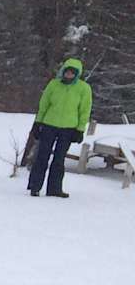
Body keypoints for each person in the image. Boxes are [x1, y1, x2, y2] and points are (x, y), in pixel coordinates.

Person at [27, 56, 94, 199]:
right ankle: (35, 186)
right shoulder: (54, 84)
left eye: (72, 72)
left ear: (77, 74)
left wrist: (80, 129)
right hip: (49, 125)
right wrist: (38, 123)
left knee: (59, 159)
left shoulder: (84, 88)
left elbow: (84, 110)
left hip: (68, 128)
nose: (69, 74)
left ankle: (54, 189)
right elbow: (44, 104)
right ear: (63, 71)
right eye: (67, 71)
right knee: (42, 156)